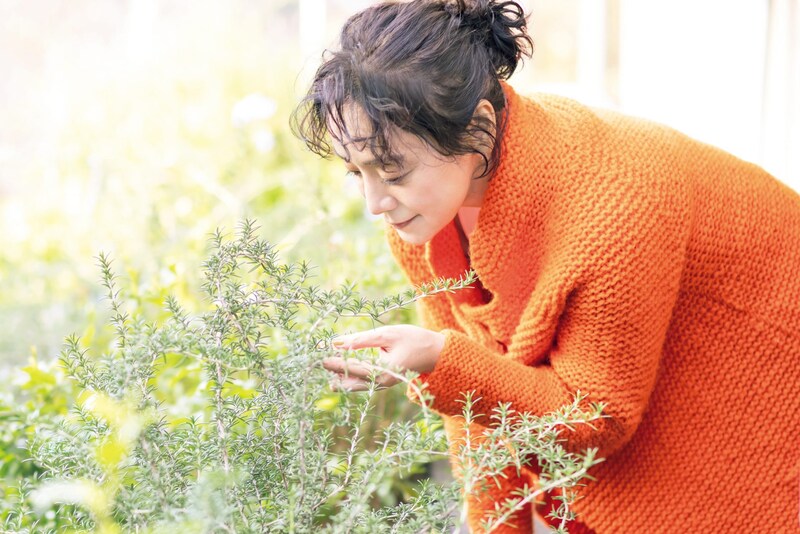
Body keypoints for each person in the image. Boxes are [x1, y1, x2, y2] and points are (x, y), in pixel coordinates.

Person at [291, 0, 800, 532]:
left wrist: (440, 359)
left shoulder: (614, 205)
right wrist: (495, 525)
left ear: (479, 129)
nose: (374, 202)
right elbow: (478, 395)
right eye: (357, 172)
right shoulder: (423, 217)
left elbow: (595, 416)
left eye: (392, 171)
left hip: (770, 354)